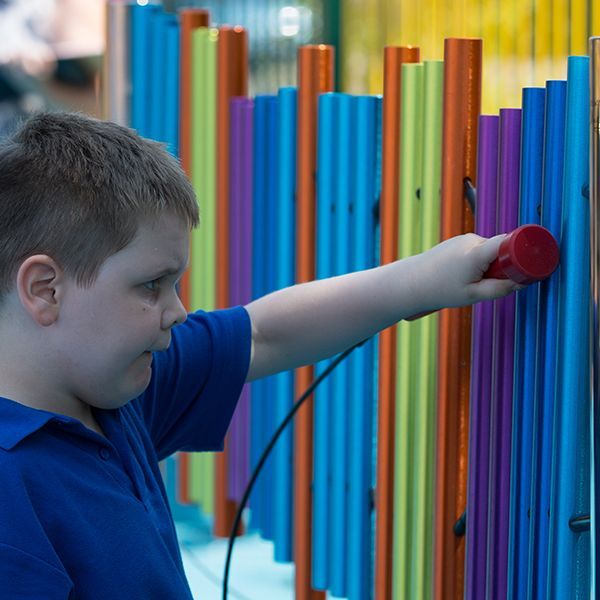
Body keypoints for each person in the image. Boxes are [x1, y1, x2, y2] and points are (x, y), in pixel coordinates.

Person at [0, 111, 519, 599]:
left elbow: (262, 334)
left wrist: (421, 282)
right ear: (45, 289)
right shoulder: (13, 498)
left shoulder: (114, 387)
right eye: (151, 285)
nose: (177, 311)